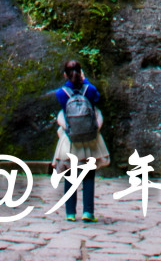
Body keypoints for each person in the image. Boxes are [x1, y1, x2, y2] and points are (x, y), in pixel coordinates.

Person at [51, 59, 109, 221]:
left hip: (70, 139)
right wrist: (85, 80)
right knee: (89, 174)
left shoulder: (61, 93)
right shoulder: (89, 90)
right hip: (90, 139)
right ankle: (88, 212)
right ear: (81, 72)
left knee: (70, 175)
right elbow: (95, 96)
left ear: (65, 75)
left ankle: (70, 213)